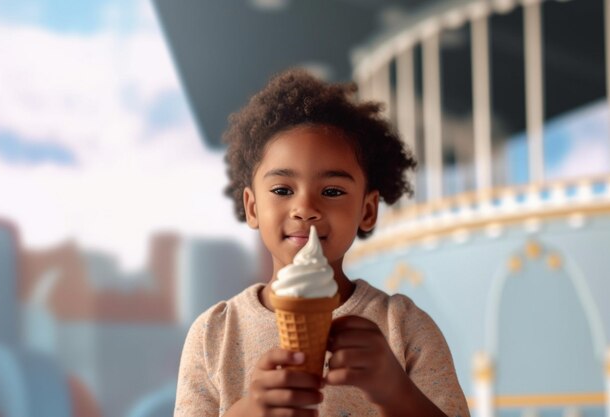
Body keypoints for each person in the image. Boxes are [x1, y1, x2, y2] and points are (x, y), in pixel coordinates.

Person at [174, 69, 470, 417]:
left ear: (368, 209)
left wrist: (397, 394)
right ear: (252, 207)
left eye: (332, 191)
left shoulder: (402, 326)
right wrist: (248, 412)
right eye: (283, 190)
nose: (305, 209)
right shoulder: (214, 333)